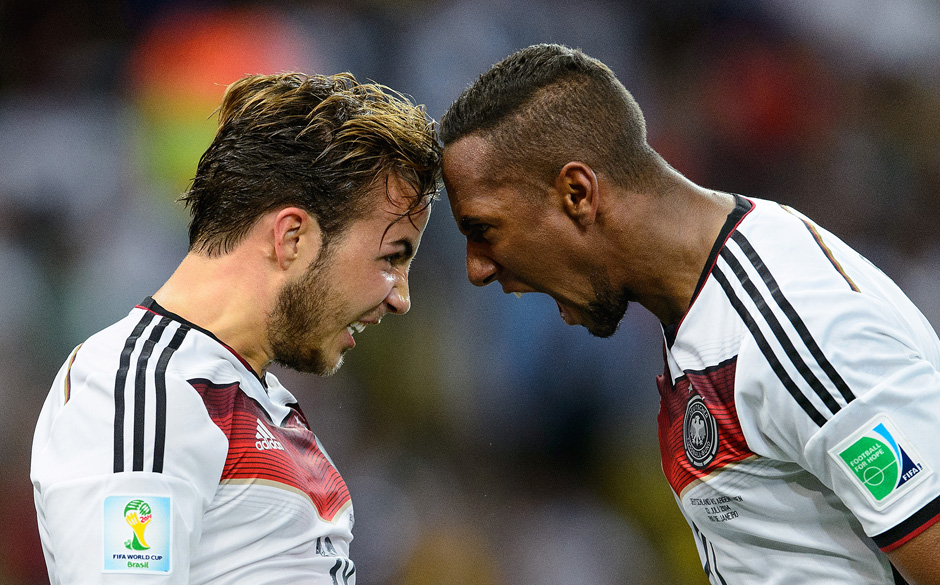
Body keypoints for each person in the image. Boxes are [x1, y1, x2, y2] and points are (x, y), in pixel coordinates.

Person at [439, 43, 940, 585]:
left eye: (483, 230)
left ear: (577, 193)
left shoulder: (793, 319)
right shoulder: (708, 305)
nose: (477, 269)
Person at [31, 71, 441, 584]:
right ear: (292, 237)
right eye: (391, 258)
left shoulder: (259, 401)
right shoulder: (144, 387)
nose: (400, 297)